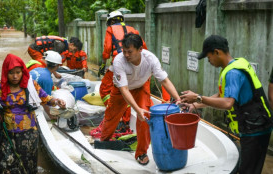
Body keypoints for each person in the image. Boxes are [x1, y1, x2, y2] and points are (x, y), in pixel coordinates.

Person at [180, 35, 273, 174]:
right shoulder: (235, 65)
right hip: (255, 125)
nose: (209, 60)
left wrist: (198, 97)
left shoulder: (233, 73)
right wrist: (194, 105)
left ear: (217, 52)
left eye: (208, 56)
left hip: (256, 128)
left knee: (249, 170)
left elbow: (228, 103)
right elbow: (221, 95)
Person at [0, 54, 66, 173]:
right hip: (7, 133)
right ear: (6, 72)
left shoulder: (31, 85)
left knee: (27, 166)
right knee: (4, 165)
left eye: (18, 72)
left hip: (29, 134)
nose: (15, 76)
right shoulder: (0, 86)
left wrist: (57, 101)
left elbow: (45, 98)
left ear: (22, 71)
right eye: (11, 73)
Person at [100, 33, 181, 165]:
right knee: (111, 116)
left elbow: (164, 81)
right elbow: (124, 89)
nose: (126, 55)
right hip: (121, 89)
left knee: (145, 117)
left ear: (140, 50)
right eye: (124, 51)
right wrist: (136, 109)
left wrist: (178, 98)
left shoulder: (151, 59)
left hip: (141, 86)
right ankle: (104, 140)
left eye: (130, 52)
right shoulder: (119, 60)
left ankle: (141, 152)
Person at [98, 10, 148, 131]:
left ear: (110, 21)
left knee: (104, 89)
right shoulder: (133, 30)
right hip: (134, 64)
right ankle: (125, 121)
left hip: (119, 64)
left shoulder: (110, 29)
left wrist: (103, 65)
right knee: (127, 92)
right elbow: (144, 48)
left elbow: (107, 49)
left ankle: (117, 118)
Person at [29, 50, 62, 119]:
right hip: (29, 103)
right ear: (57, 66)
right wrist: (51, 115)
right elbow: (45, 101)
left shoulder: (38, 69)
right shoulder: (48, 80)